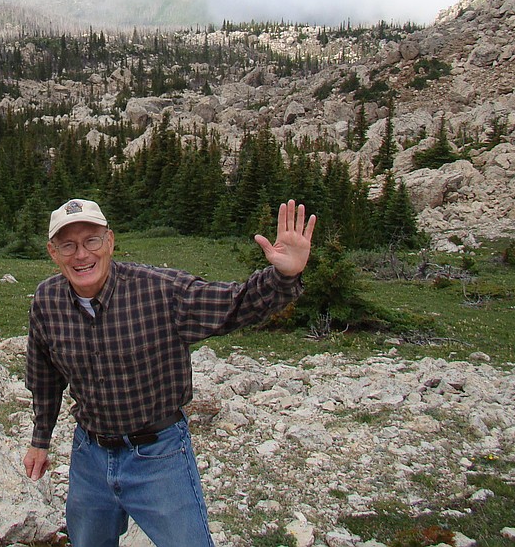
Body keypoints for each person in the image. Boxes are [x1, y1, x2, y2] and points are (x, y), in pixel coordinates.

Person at [23, 196, 316, 547]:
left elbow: (234, 304)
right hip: (90, 455)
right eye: (68, 245)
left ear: (110, 242)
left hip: (159, 454)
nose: (81, 255)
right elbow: (44, 376)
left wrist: (285, 275)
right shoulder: (47, 300)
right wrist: (40, 439)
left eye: (91, 241)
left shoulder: (161, 290)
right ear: (53, 253)